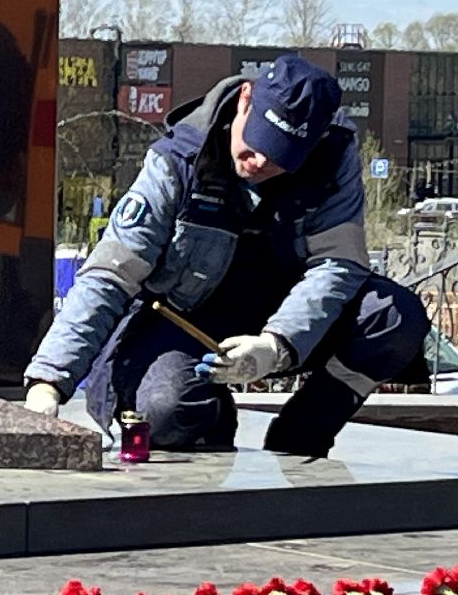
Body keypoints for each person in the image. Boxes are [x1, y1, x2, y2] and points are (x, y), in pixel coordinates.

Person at [22, 53, 428, 458]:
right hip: (183, 315)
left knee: (394, 317)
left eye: (284, 155)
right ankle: (211, 417)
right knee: (165, 411)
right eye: (259, 143)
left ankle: (302, 435)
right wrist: (49, 381)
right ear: (245, 100)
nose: (263, 161)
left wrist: (276, 345)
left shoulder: (334, 153)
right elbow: (110, 275)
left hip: (285, 318)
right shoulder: (178, 160)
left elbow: (336, 265)